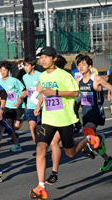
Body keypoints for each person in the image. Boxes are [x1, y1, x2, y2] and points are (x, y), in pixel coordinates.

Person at [29, 47, 98, 199]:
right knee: (41, 149)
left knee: (71, 153)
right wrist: (38, 104)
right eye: (41, 57)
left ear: (54, 58)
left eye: (46, 57)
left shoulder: (64, 75)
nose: (43, 60)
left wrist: (55, 93)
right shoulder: (43, 77)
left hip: (65, 120)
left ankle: (87, 140)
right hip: (48, 119)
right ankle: (41, 186)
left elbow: (75, 93)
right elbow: (44, 92)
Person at [76, 55, 112, 171]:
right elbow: (74, 97)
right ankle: (107, 158)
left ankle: (96, 140)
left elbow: (110, 87)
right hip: (85, 112)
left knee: (86, 132)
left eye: (83, 64)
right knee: (92, 141)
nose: (81, 67)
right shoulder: (78, 81)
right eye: (79, 64)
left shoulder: (96, 79)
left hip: (96, 110)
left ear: (90, 66)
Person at [0, 61, 25, 152]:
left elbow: (24, 91)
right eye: (1, 70)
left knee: (16, 126)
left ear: (8, 71)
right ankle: (17, 144)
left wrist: (20, 98)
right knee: (10, 125)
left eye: (4, 70)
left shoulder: (14, 81)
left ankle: (14, 132)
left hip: (17, 106)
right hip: (7, 107)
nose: (2, 72)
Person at [21, 56, 42, 156]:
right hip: (29, 106)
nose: (25, 68)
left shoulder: (40, 75)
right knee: (32, 127)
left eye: (27, 66)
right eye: (24, 65)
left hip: (40, 106)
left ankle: (44, 145)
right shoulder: (24, 77)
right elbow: (27, 91)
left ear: (33, 66)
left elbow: (43, 91)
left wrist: (40, 104)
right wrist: (21, 97)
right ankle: (38, 147)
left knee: (39, 128)